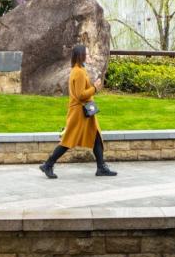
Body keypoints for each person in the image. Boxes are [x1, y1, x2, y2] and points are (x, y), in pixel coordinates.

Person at [40, 44, 117, 179]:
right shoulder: (79, 72)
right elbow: (81, 95)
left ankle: (101, 167)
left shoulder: (79, 70)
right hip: (80, 112)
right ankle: (48, 164)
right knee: (68, 140)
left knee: (96, 136)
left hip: (85, 111)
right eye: (87, 54)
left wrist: (92, 88)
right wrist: (95, 88)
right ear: (81, 55)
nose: (89, 56)